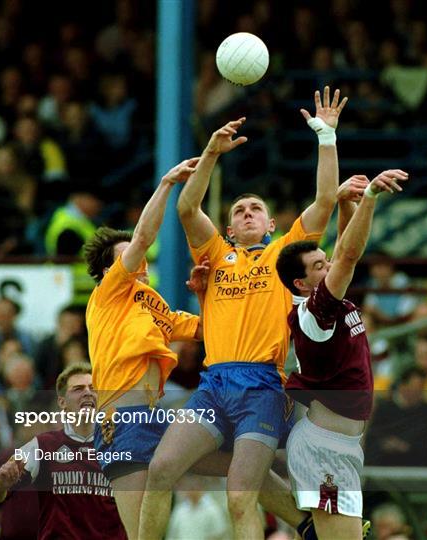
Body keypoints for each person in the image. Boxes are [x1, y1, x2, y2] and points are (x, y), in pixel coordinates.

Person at [140, 86, 348, 539]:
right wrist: (211, 153)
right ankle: (306, 525)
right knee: (160, 469)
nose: (248, 212)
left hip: (262, 384)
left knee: (240, 495)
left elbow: (327, 200)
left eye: (257, 208)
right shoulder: (215, 254)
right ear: (230, 227)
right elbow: (187, 206)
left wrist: (326, 138)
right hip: (214, 384)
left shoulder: (283, 253)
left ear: (271, 225)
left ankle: (304, 523)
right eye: (240, 209)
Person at [84, 158, 315, 540]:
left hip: (154, 413)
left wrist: (209, 292)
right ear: (110, 271)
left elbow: (212, 328)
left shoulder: (150, 302)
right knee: (140, 532)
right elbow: (143, 238)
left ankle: (306, 524)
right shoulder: (108, 293)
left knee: (238, 469)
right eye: (125, 258)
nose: (136, 261)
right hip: (121, 422)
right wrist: (165, 185)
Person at [275, 169, 408, 539]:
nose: (329, 265)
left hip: (342, 446)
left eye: (325, 260)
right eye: (319, 266)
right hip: (324, 450)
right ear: (301, 284)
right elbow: (348, 255)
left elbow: (342, 253)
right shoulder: (315, 311)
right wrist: (369, 200)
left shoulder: (326, 301)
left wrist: (346, 205)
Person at [0, 363, 127, 539]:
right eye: (78, 389)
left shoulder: (120, 447)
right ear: (62, 402)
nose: (88, 393)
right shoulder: (43, 445)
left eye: (93, 388)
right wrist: (1, 484)